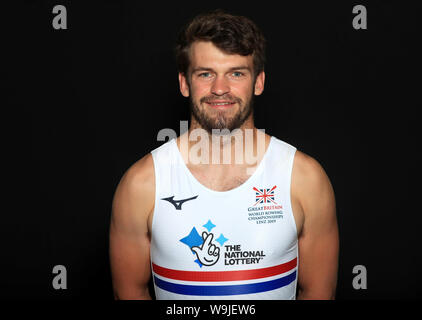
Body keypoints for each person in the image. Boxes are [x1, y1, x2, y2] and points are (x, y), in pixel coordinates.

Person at [109, 10, 338, 300]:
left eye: (236, 73)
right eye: (205, 74)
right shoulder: (141, 184)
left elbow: (319, 292)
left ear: (259, 82)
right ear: (184, 83)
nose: (220, 89)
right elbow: (129, 292)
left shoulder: (305, 180)